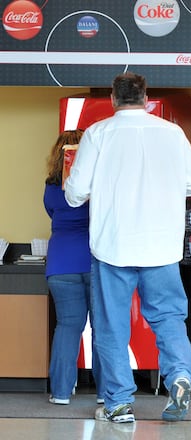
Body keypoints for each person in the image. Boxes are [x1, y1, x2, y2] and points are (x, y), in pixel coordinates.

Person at [65, 72, 191, 423]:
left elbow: (76, 192)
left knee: (112, 326)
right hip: (161, 247)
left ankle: (118, 402)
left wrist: (74, 186)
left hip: (113, 247)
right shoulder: (172, 133)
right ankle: (179, 375)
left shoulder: (99, 134)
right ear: (146, 99)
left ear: (113, 99)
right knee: (169, 318)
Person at [43, 129, 105, 406]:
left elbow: (53, 214)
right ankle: (107, 393)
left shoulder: (50, 187)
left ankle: (60, 393)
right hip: (95, 260)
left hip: (60, 263)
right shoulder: (97, 185)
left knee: (67, 327)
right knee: (103, 329)